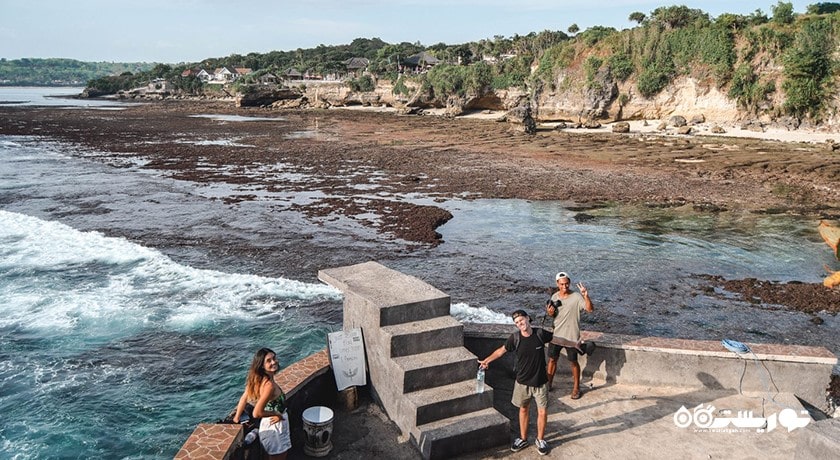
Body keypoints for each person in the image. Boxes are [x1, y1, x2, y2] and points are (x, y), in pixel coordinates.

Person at [478, 309, 584, 456]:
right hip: (522, 382)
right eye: (516, 322)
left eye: (521, 320)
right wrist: (487, 361)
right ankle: (523, 438)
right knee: (523, 409)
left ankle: (540, 440)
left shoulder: (540, 334)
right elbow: (501, 351)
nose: (520, 324)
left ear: (528, 318)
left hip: (540, 382)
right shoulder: (515, 338)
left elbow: (558, 340)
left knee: (542, 411)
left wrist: (574, 344)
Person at [234, 348, 291, 460]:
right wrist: (277, 414)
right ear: (261, 366)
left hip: (267, 424)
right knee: (280, 456)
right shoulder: (269, 386)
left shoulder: (257, 380)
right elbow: (257, 413)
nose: (274, 362)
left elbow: (244, 398)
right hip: (275, 427)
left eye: (274, 358)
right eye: (268, 361)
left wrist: (236, 417)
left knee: (268, 456)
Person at [546, 271, 594, 399]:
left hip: (572, 338)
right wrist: (550, 312)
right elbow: (552, 315)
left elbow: (589, 309)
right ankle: (548, 384)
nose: (564, 286)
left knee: (573, 362)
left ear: (569, 283)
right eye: (562, 284)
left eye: (567, 284)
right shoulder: (554, 297)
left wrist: (585, 296)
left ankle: (576, 388)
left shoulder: (577, 297)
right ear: (557, 283)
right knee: (552, 360)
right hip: (556, 336)